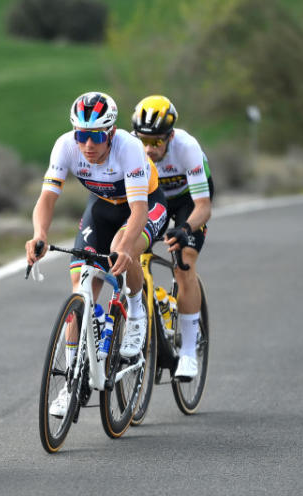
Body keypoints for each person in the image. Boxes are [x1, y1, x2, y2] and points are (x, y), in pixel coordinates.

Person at [24, 91, 168, 417]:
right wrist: (40, 235)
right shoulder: (65, 146)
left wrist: (125, 247)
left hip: (145, 205)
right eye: (82, 135)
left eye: (96, 136)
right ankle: (71, 383)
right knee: (80, 286)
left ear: (112, 133)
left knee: (122, 247)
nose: (88, 144)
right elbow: (47, 199)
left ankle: (135, 312)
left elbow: (139, 212)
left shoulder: (128, 149)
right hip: (102, 208)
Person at [131, 95, 212, 380]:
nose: (149, 149)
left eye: (156, 142)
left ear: (170, 135)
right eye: (143, 141)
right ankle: (152, 310)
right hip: (155, 201)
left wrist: (186, 229)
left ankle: (188, 352)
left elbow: (204, 207)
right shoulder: (131, 149)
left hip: (188, 203)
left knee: (183, 263)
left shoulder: (186, 148)